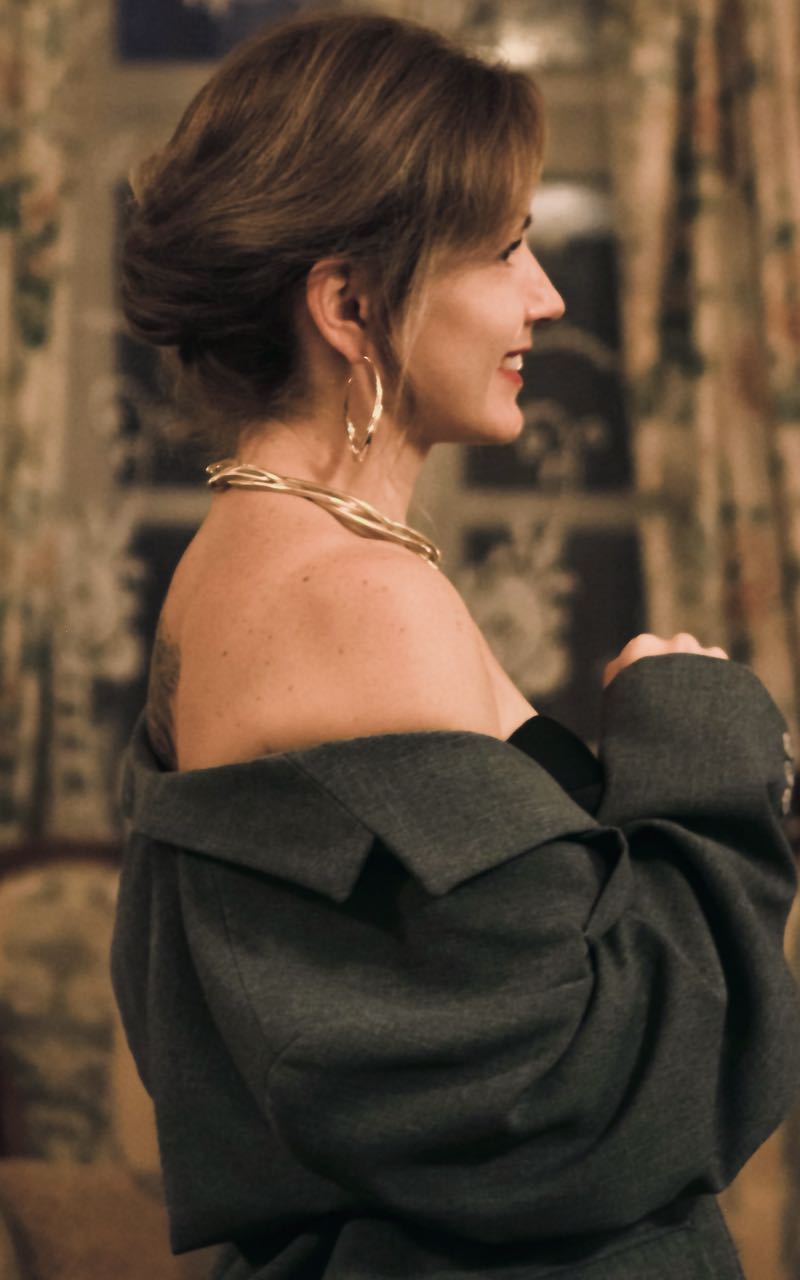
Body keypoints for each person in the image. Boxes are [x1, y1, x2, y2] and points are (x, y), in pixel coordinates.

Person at [110, 11, 800, 1279]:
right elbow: (585, 1103)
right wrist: (697, 735)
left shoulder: (259, 559)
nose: (545, 294)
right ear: (350, 304)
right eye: (503, 248)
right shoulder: (350, 596)